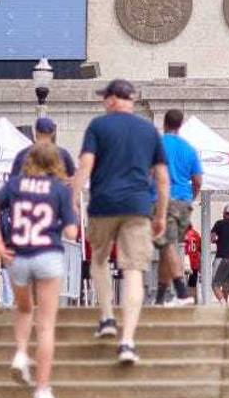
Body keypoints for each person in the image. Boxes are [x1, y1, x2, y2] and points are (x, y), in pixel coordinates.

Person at [72, 79, 169, 365]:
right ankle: (127, 342)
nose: (104, 103)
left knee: (99, 261)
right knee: (134, 271)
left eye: (105, 98)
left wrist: (71, 199)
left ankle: (106, 318)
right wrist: (160, 215)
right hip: (138, 207)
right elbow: (162, 179)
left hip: (103, 205)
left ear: (114, 100)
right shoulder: (150, 131)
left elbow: (85, 166)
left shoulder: (98, 127)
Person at [0, 143, 78, 398]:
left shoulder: (15, 185)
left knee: (23, 309)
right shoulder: (59, 189)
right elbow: (71, 232)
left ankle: (21, 354)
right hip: (48, 255)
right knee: (46, 325)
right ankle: (42, 389)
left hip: (18, 255)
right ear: (54, 164)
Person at [154, 109, 202, 307]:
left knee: (168, 245)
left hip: (164, 201)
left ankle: (182, 292)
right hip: (184, 202)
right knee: (168, 246)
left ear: (164, 124)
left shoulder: (157, 145)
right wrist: (191, 197)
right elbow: (197, 180)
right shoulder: (188, 149)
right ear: (180, 125)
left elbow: (149, 173)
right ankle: (160, 297)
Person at [9, 116, 76, 180]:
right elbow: (73, 178)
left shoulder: (23, 154)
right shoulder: (63, 154)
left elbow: (12, 181)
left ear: (36, 133)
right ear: (53, 133)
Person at [183, 225, 201, 299]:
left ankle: (188, 299)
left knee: (184, 282)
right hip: (195, 262)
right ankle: (195, 300)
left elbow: (183, 249)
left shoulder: (184, 235)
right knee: (193, 283)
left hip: (186, 261)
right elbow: (200, 248)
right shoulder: (196, 234)